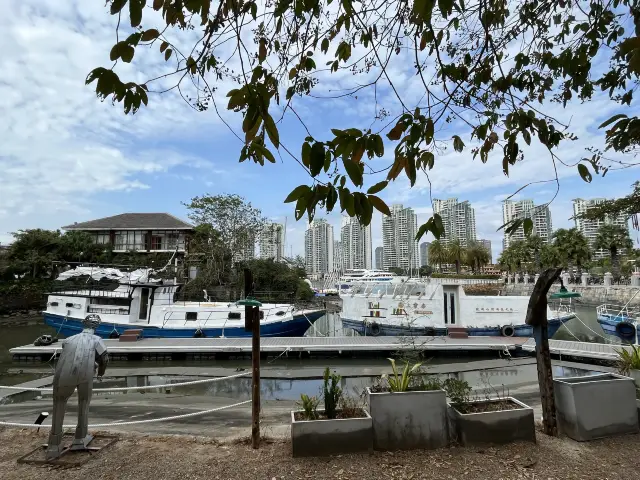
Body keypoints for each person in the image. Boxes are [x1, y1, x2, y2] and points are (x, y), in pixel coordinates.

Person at [46, 314, 109, 460]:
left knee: (59, 404)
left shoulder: (68, 339)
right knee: (84, 402)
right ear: (96, 326)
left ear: (83, 324)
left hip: (62, 373)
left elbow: (67, 353)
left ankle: (54, 444)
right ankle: (80, 437)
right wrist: (100, 373)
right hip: (85, 374)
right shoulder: (97, 340)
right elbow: (104, 358)